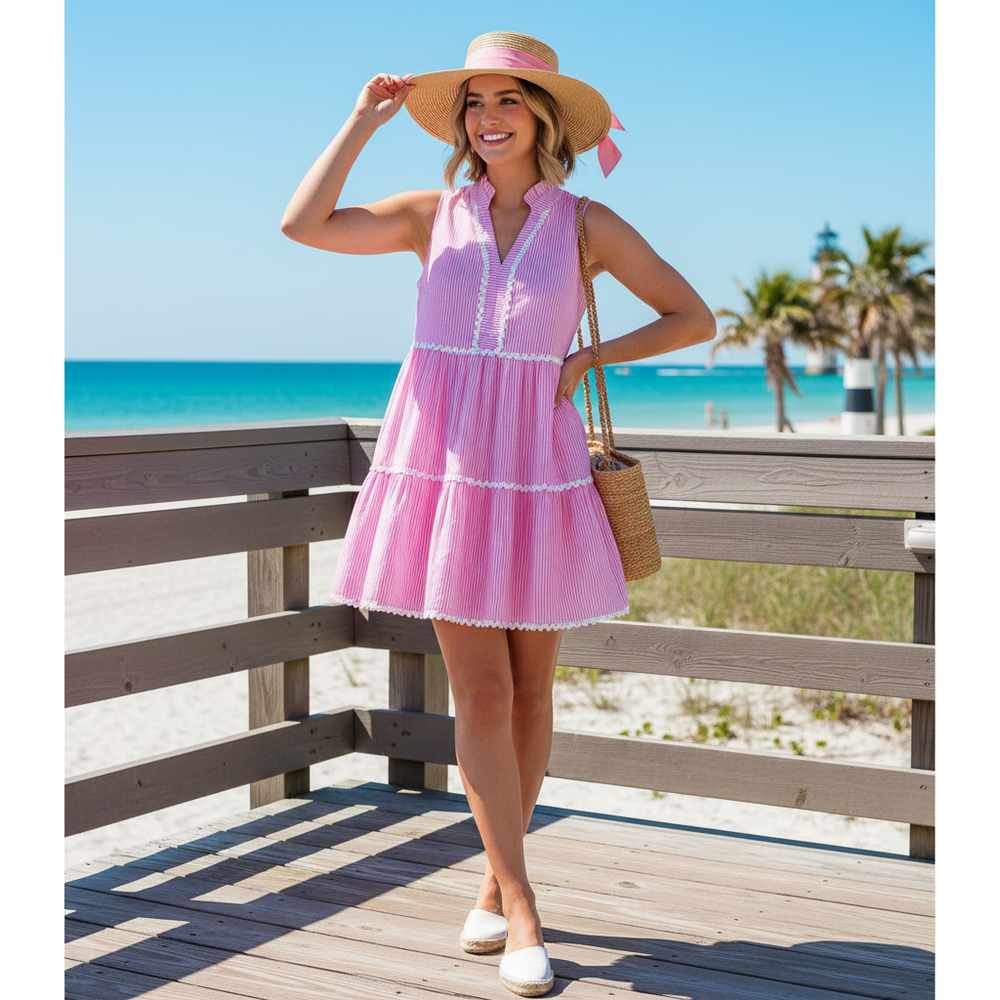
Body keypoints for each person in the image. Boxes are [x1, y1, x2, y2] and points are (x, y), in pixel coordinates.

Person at [281, 30, 715, 997]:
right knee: (476, 694)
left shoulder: (588, 224)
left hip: (540, 471)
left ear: (545, 118)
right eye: (475, 102)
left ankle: (490, 875)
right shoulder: (429, 216)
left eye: (508, 101)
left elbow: (694, 318)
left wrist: (580, 362)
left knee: (527, 694)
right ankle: (522, 906)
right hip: (443, 474)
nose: (488, 117)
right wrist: (362, 120)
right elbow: (302, 225)